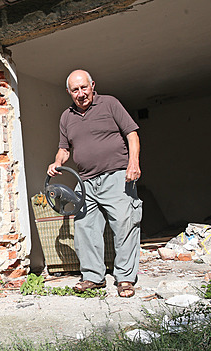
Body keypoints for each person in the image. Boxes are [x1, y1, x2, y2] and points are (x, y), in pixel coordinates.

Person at [47, 69, 142, 298]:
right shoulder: (66, 117)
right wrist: (57, 162)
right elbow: (64, 149)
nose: (81, 94)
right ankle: (92, 277)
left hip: (116, 176)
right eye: (75, 90)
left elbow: (132, 134)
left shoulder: (110, 104)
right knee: (85, 229)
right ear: (69, 92)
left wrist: (133, 163)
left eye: (84, 87)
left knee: (124, 226)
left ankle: (125, 279)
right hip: (85, 181)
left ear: (92, 85)